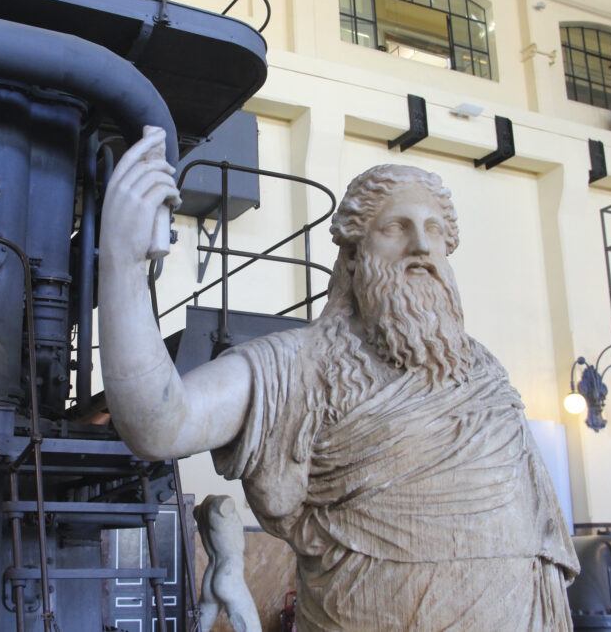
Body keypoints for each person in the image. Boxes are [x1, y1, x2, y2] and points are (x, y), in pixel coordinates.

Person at [98, 128, 579, 631]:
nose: (421, 246)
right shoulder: (299, 363)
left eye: (435, 230)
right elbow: (161, 424)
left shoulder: (486, 372)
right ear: (353, 255)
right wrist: (123, 264)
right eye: (397, 226)